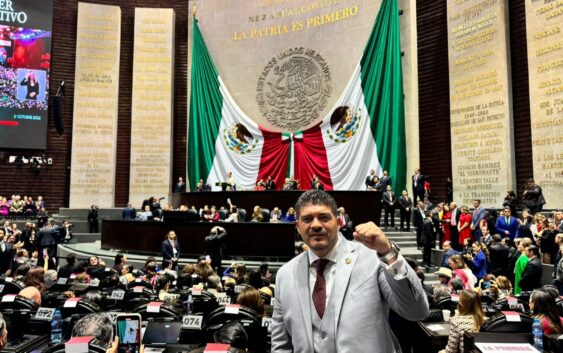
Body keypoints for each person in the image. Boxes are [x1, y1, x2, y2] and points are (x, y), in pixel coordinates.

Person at [271, 190, 429, 353]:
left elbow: (417, 311)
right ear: (297, 227)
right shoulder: (285, 275)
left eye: (324, 217)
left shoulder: (373, 257)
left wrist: (388, 252)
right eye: (307, 219)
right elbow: (281, 345)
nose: (316, 225)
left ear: (338, 222)